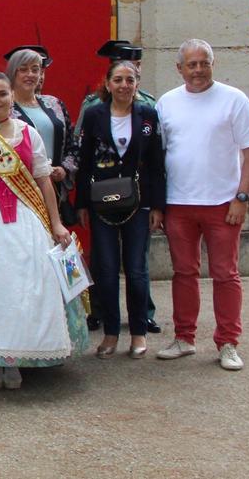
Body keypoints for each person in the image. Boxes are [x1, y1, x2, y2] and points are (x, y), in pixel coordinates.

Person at [0, 72, 88, 389]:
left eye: (1, 94)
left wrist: (55, 223)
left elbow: (43, 180)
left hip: (25, 220)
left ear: (12, 96)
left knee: (26, 286)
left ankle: (18, 359)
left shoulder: (29, 133)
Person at [155, 39, 249, 371]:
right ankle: (184, 338)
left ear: (213, 64)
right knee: (183, 273)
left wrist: (242, 197)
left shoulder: (234, 99)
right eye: (192, 64)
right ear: (180, 68)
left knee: (225, 274)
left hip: (222, 203)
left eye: (205, 63)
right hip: (179, 202)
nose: (198, 70)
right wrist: (159, 206)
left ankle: (228, 342)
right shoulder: (166, 103)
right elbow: (159, 156)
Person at [75, 60, 166, 360]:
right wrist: (82, 204)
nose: (124, 85)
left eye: (130, 80)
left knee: (137, 270)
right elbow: (84, 162)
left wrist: (158, 207)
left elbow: (156, 165)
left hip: (138, 203)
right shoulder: (94, 115)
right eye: (118, 79)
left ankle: (138, 332)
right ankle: (111, 333)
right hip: (102, 203)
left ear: (137, 83)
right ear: (108, 83)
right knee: (106, 269)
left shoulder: (148, 116)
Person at [6, 46, 78, 226]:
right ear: (12, 73)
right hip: (20, 194)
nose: (30, 74)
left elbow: (72, 146)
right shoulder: (2, 107)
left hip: (54, 191)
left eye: (35, 69)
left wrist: (64, 169)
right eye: (23, 69)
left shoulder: (55, 104)